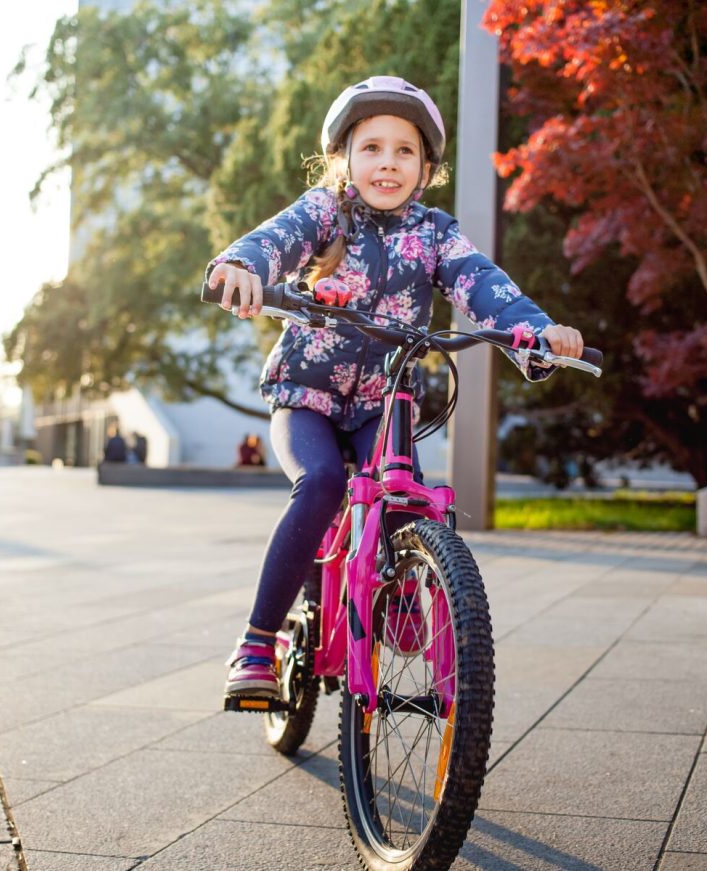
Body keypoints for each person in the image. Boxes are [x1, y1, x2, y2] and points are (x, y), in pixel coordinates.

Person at [206, 75, 584, 699]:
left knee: (403, 491)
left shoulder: (434, 233)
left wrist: (536, 333)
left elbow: (482, 282)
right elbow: (275, 239)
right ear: (343, 160)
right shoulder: (324, 213)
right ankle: (257, 641)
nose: (388, 163)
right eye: (372, 148)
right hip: (306, 397)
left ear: (426, 168)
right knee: (321, 483)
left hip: (382, 401)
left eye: (404, 150)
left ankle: (405, 579)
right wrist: (242, 267)